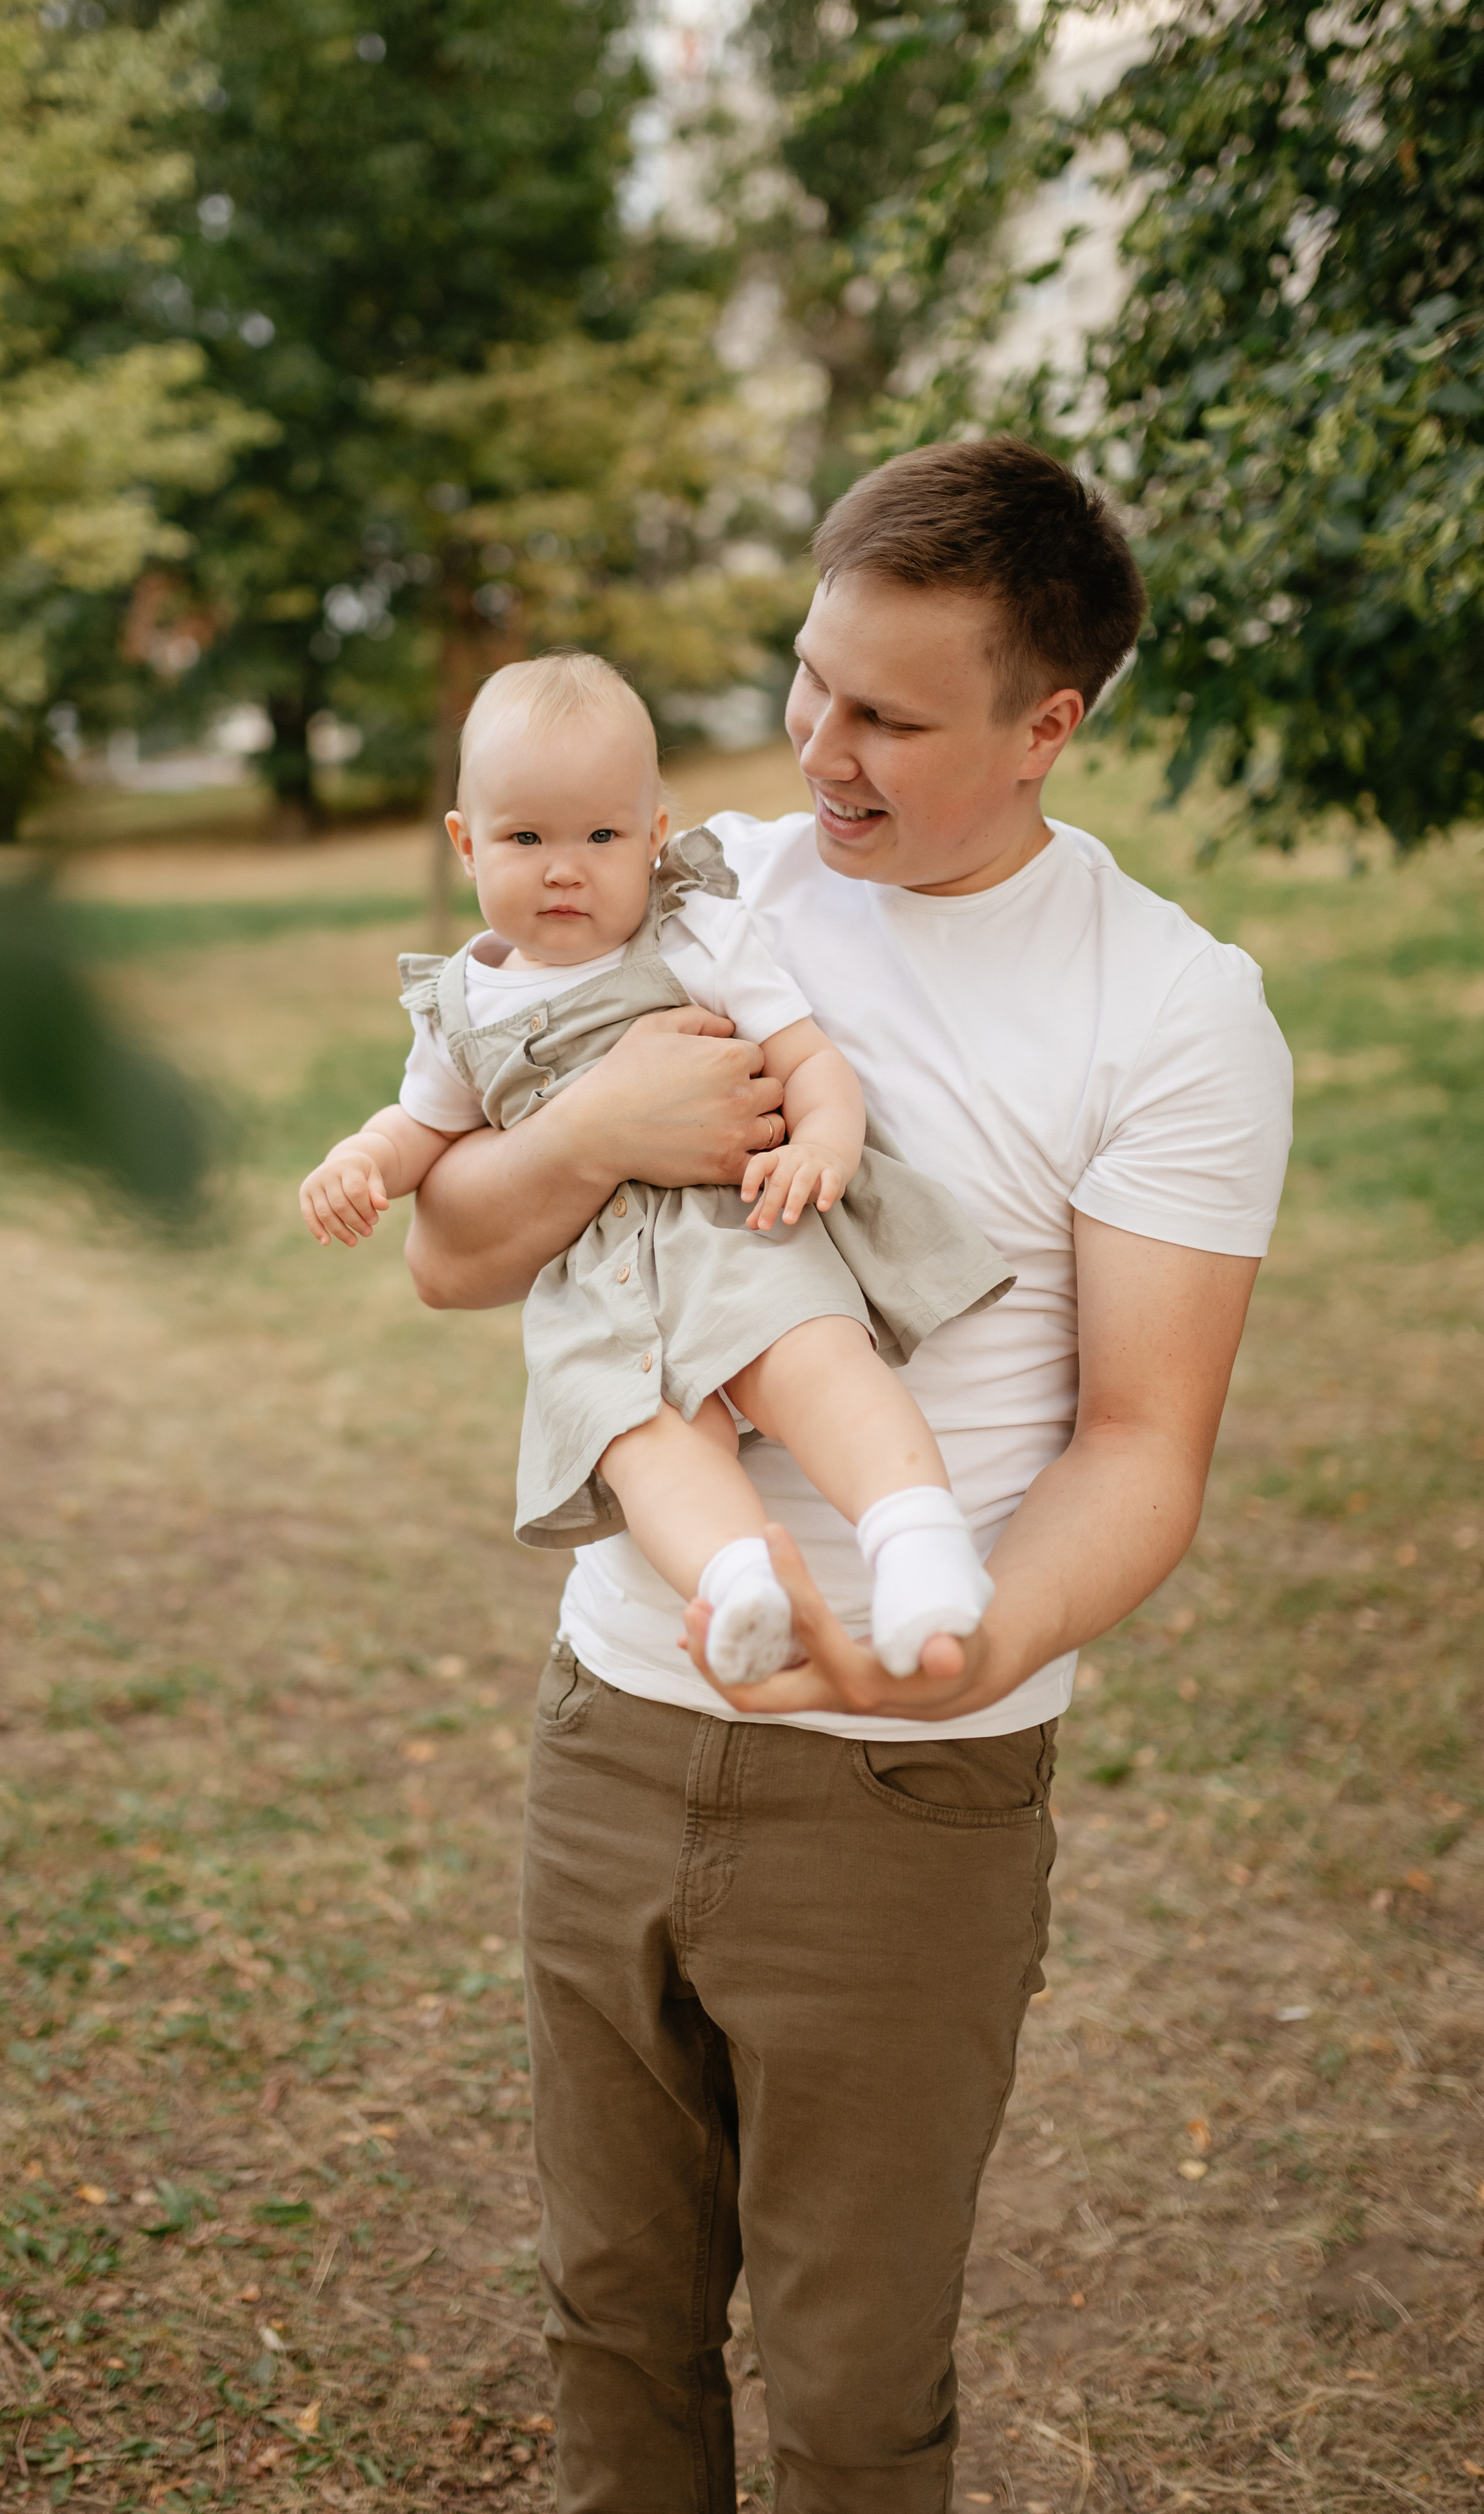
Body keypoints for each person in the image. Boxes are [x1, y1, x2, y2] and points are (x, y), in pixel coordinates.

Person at [403, 438, 1294, 2513]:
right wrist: (598, 1126)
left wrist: (956, 1656)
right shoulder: (697, 885)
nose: (822, 749)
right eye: (812, 681)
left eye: (890, 715)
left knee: (852, 2379)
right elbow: (461, 1253)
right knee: (613, 2315)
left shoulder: (1172, 1011)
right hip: (617, 1711)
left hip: (911, 1784)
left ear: (1049, 723)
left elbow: (1146, 1445)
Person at [298, 651, 1012, 1685]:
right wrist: (360, 1159)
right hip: (598, 1288)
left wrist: (821, 1144)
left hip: (728, 1230)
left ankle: (917, 1548)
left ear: (654, 836)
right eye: (525, 837)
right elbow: (423, 1128)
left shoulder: (696, 934)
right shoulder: (462, 1004)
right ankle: (738, 1586)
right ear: (466, 844)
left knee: (813, 1363)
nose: (564, 868)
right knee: (642, 1439)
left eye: (600, 836)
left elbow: (811, 1059)